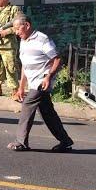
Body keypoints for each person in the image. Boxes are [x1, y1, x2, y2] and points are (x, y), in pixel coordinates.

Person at [7, 14, 74, 152]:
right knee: (47, 113)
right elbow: (25, 66)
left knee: (28, 104)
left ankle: (21, 141)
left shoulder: (42, 39)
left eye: (17, 28)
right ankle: (65, 141)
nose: (16, 32)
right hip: (32, 82)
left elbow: (57, 59)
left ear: (27, 26)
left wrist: (48, 77)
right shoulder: (24, 41)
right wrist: (21, 87)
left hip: (41, 81)